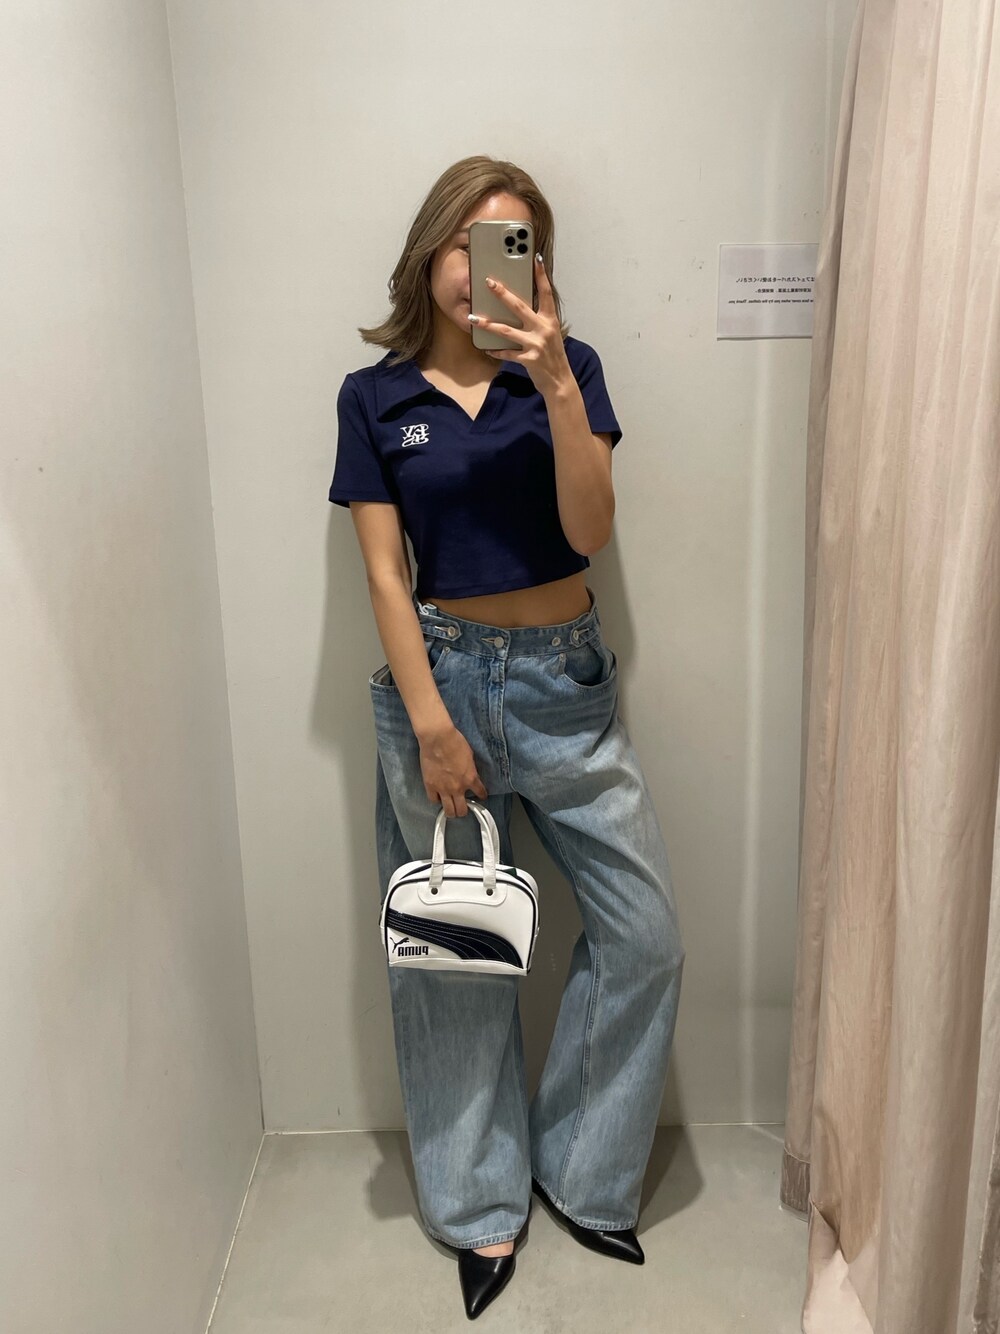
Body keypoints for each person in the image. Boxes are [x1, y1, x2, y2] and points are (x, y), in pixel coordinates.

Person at [328, 155, 685, 1321]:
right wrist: (432, 722)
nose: (482, 268)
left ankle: (582, 1170)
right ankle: (480, 1202)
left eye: (513, 244)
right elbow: (385, 572)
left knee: (644, 936)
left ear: (536, 266)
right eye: (466, 242)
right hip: (437, 686)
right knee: (458, 964)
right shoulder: (374, 397)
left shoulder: (570, 370)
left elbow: (588, 530)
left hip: (564, 687)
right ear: (431, 253)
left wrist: (558, 382)